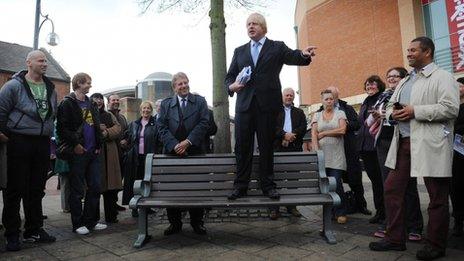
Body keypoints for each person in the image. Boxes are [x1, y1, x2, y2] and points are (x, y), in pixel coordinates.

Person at [369, 37, 459, 261]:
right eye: (408, 50)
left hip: (430, 143)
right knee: (392, 189)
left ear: (427, 51)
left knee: (437, 195)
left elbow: (450, 109)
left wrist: (414, 111)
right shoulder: (405, 80)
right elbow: (390, 106)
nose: (408, 54)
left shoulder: (443, 77)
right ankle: (395, 239)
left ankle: (436, 245)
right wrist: (393, 114)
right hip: (403, 143)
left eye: (413, 50)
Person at [225, 13, 316, 200]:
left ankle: (268, 185)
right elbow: (229, 76)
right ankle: (240, 186)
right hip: (244, 107)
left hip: (268, 107)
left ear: (263, 27)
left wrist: (303, 55)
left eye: (255, 24)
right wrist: (231, 87)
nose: (251, 27)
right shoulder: (239, 51)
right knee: (243, 147)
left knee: (267, 147)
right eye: (248, 24)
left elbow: (293, 56)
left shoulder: (276, 47)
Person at [0, 50, 57, 251]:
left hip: (41, 142)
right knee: (15, 189)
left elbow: (52, 114)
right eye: (41, 60)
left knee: (36, 190)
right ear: (29, 63)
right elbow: (1, 111)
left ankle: (33, 230)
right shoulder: (13, 86)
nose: (45, 64)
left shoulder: (50, 87)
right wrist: (3, 133)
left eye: (46, 61)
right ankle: (12, 234)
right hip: (19, 141)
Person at [369, 67, 423, 241]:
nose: (391, 79)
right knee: (389, 186)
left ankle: (414, 226)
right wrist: (377, 115)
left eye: (395, 76)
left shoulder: (408, 93)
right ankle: (391, 223)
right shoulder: (383, 96)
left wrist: (385, 115)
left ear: (404, 78)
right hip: (383, 142)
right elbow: (368, 121)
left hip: (402, 141)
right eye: (389, 76)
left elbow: (408, 115)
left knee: (408, 185)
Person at [157, 72, 209, 236]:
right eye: (180, 84)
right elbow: (161, 127)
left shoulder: (200, 101)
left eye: (185, 82)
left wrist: (188, 142)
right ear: (174, 88)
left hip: (195, 151)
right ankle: (174, 223)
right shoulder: (166, 105)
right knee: (171, 190)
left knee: (197, 189)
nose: (184, 86)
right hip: (172, 154)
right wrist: (174, 145)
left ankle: (197, 222)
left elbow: (204, 122)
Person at [56, 72, 107, 235]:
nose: (90, 85)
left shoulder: (91, 103)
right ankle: (78, 224)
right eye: (87, 82)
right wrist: (76, 144)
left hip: (94, 152)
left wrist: (99, 144)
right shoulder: (67, 103)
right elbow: (62, 128)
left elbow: (96, 125)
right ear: (78, 83)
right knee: (77, 190)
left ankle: (91, 221)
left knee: (95, 187)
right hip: (78, 152)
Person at [321, 86, 370, 216]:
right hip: (331, 151)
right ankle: (337, 208)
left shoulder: (346, 108)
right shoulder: (321, 110)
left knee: (355, 179)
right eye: (328, 96)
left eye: (333, 96)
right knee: (335, 181)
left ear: (337, 96)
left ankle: (361, 205)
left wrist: (344, 125)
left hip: (348, 148)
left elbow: (357, 124)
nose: (330, 99)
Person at [311, 90, 348, 224]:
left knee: (336, 183)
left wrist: (325, 133)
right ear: (322, 101)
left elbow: (342, 130)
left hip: (337, 155)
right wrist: (316, 151)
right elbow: (314, 134)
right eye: (326, 99)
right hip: (322, 155)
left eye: (331, 99)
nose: (329, 101)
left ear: (334, 100)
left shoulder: (340, 113)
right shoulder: (317, 115)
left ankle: (340, 212)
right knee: (325, 184)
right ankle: (329, 212)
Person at [270, 87, 307, 220]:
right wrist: (284, 135)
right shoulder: (274, 111)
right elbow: (272, 127)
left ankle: (292, 206)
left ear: (294, 98)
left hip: (294, 148)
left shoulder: (299, 112)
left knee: (293, 178)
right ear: (282, 96)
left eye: (291, 95)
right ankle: (275, 208)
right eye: (287, 95)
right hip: (277, 148)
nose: (289, 97)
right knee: (277, 178)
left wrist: (292, 136)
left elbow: (303, 127)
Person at [121, 101, 160, 217]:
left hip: (149, 157)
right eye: (144, 108)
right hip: (135, 158)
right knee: (134, 182)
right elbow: (126, 138)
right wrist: (127, 148)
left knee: (147, 182)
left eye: (148, 108)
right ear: (140, 110)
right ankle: (134, 207)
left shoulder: (156, 124)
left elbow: (159, 142)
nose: (146, 110)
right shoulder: (134, 124)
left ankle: (147, 206)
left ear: (151, 110)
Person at [357, 75, 385, 224]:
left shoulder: (382, 99)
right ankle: (380, 212)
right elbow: (362, 123)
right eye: (367, 85)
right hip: (364, 147)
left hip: (376, 146)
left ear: (379, 85)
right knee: (375, 181)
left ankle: (386, 212)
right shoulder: (365, 102)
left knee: (382, 181)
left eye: (373, 84)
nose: (369, 87)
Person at [91, 93, 122, 224]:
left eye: (100, 99)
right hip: (95, 153)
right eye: (95, 99)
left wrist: (106, 132)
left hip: (110, 154)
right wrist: (98, 128)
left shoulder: (109, 115)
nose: (98, 101)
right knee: (95, 187)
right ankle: (94, 217)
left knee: (110, 189)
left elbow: (118, 128)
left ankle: (111, 216)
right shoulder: (88, 114)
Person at [107, 94, 129, 212]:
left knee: (118, 180)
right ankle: (110, 205)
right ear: (108, 102)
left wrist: (126, 140)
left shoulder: (122, 117)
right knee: (111, 181)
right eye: (113, 100)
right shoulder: (105, 116)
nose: (115, 101)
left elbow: (127, 133)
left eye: (117, 99)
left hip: (121, 153)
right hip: (110, 154)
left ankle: (114, 203)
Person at [451, 77, 464, 237]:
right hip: (453, 150)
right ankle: (458, 219)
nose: (457, 88)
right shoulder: (452, 106)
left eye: (460, 86)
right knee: (455, 185)